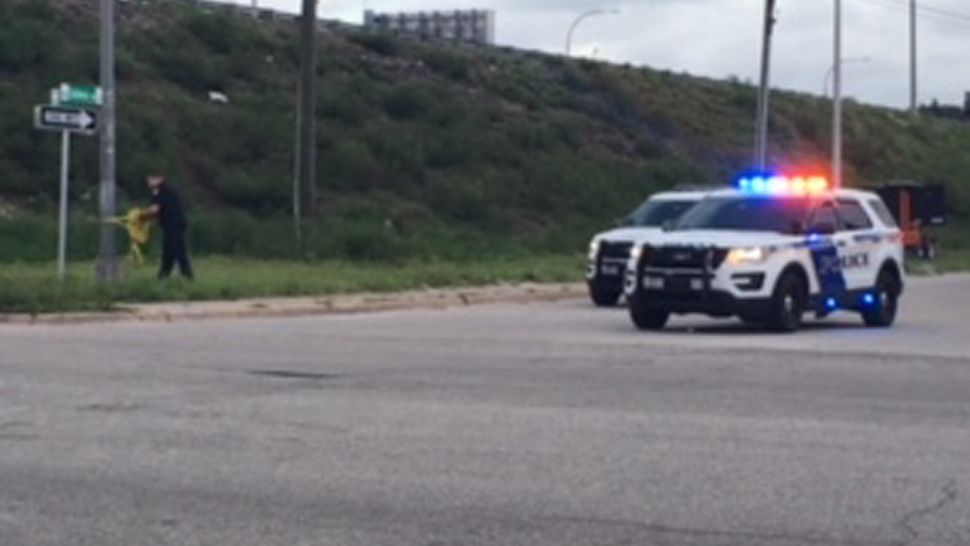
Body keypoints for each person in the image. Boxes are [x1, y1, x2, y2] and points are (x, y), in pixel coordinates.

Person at [146, 174, 193, 280]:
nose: (149, 181)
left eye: (153, 178)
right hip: (171, 225)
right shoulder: (165, 191)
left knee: (179, 251)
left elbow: (154, 209)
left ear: (160, 179)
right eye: (149, 178)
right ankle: (163, 277)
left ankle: (187, 276)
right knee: (169, 252)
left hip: (174, 225)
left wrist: (140, 215)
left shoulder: (160, 191)